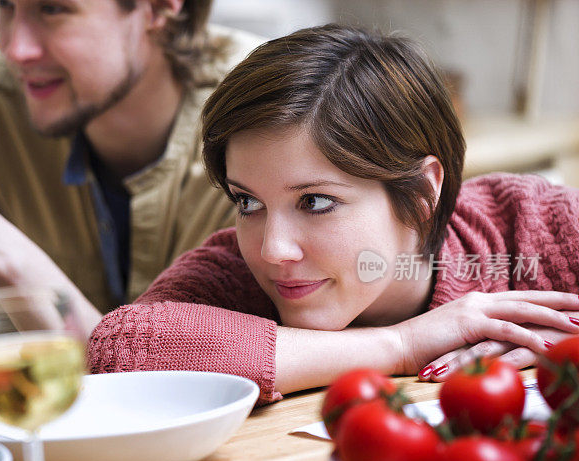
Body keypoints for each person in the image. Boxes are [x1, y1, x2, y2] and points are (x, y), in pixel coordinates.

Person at [87, 24, 579, 405]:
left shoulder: (528, 224)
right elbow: (121, 352)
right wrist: (403, 345)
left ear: (425, 193)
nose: (273, 250)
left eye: (316, 202)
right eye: (247, 201)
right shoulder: (232, 276)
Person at [0, 0, 262, 400]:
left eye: (53, 8)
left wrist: (11, 259)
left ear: (157, 7)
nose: (14, 49)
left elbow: (183, 393)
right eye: (4, 4)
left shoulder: (261, 114)